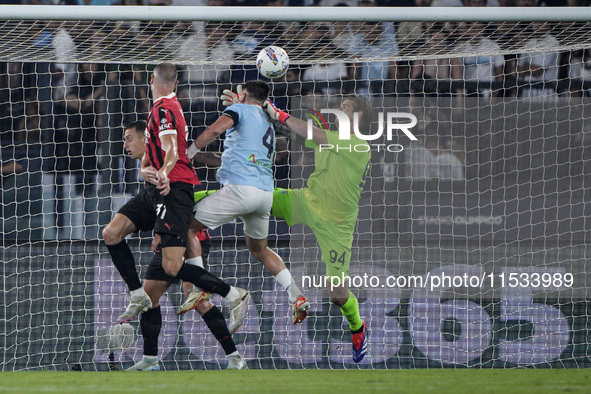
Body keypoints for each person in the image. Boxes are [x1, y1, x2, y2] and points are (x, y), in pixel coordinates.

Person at [102, 64, 250, 334]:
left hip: (174, 188)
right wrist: (147, 169)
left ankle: (232, 294)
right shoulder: (158, 109)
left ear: (152, 79)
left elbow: (171, 150)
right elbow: (154, 151)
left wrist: (163, 173)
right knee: (112, 233)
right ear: (177, 82)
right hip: (156, 189)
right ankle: (137, 294)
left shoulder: (166, 109)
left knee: (171, 267)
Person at [178, 81, 310, 326]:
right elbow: (280, 144)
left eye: (239, 93)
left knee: (186, 227)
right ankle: (297, 295)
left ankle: (199, 287)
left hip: (241, 190)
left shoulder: (240, 111)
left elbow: (214, 131)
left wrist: (190, 153)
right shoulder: (268, 122)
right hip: (264, 194)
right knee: (260, 249)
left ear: (245, 95)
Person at [118, 122, 245, 371]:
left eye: (129, 139)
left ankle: (234, 356)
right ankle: (150, 360)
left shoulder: (166, 162)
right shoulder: (149, 168)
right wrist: (158, 232)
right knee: (149, 296)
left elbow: (175, 200)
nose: (125, 146)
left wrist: (159, 232)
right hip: (168, 237)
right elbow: (159, 204)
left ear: (146, 138)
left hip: (188, 238)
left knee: (194, 297)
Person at [261, 94, 371, 363]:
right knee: (255, 199)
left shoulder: (358, 145)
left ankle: (358, 327)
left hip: (337, 224)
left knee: (337, 295)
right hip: (307, 201)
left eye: (346, 108)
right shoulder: (328, 137)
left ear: (358, 117)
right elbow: (298, 137)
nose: (340, 111)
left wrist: (278, 113)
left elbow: (312, 133)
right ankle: (198, 200)